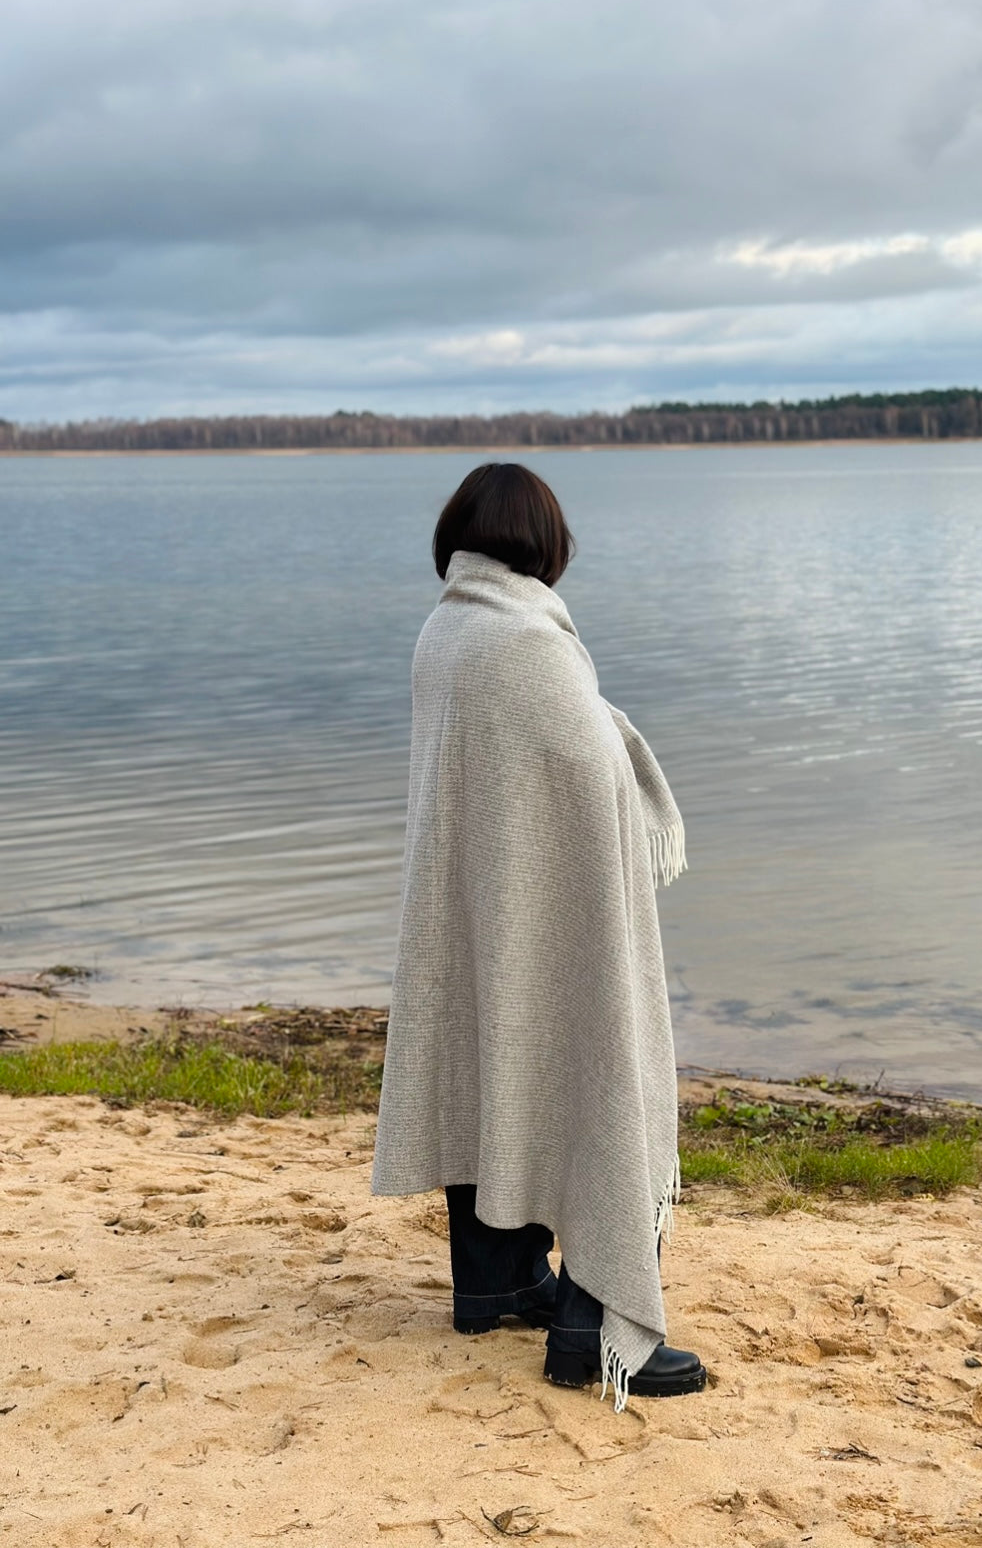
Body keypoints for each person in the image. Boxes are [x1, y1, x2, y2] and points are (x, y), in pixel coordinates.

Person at [370, 462, 705, 1411]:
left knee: (486, 1065)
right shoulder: (525, 643)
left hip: (473, 905)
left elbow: (551, 760)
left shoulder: (447, 626)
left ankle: (498, 1281)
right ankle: (589, 1332)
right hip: (542, 909)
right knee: (593, 1069)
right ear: (544, 545)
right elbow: (584, 769)